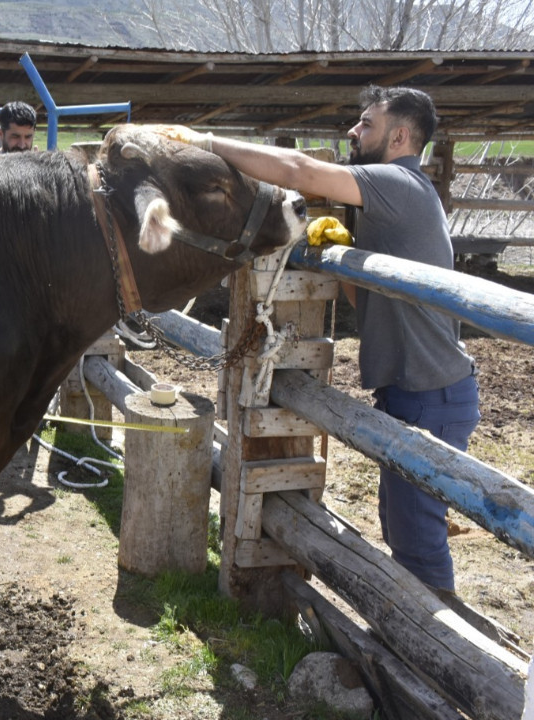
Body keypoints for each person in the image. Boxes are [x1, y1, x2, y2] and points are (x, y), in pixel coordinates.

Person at [153, 85, 478, 593]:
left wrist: (206, 141)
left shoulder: (398, 182)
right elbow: (361, 304)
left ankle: (436, 651)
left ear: (399, 135)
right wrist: (344, 252)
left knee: (417, 535)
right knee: (401, 524)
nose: (354, 130)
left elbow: (299, 171)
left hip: (429, 391)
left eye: (366, 123)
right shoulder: (393, 197)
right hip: (417, 387)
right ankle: (420, 635)